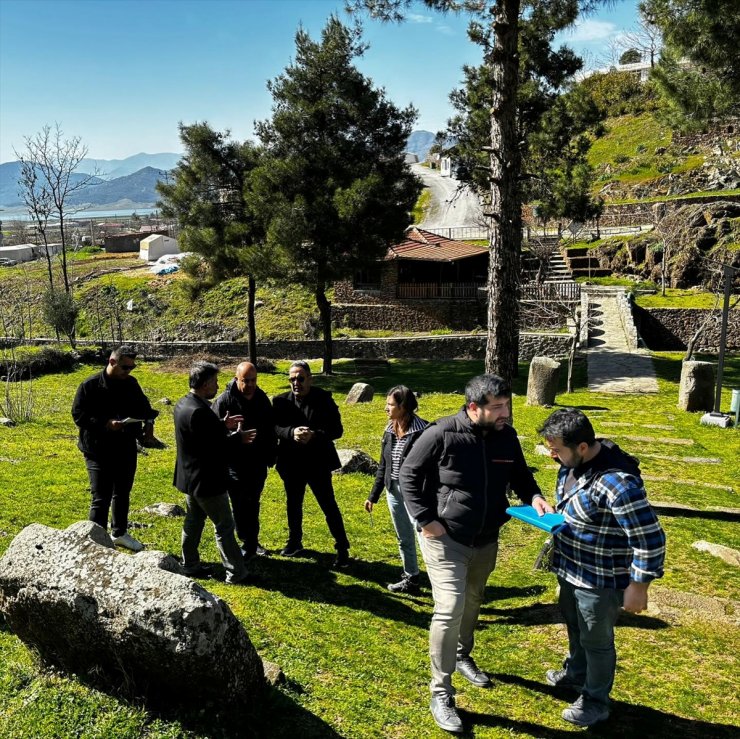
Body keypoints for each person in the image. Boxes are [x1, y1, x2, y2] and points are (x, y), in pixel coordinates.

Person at [399, 373, 552, 734]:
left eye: (507, 406)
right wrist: (425, 520)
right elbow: (407, 474)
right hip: (446, 538)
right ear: (473, 408)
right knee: (449, 607)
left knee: (473, 600)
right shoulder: (440, 433)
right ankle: (441, 692)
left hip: (486, 538)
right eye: (497, 408)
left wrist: (534, 497)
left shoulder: (507, 437)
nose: (505, 414)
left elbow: (520, 476)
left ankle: (462, 653)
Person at [538, 408, 666, 728]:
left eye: (557, 449)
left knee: (596, 640)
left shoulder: (618, 484)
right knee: (573, 622)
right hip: (570, 568)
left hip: (599, 579)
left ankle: (596, 701)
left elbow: (650, 538)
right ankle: (576, 673)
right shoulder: (569, 464)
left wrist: (638, 586)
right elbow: (576, 503)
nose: (552, 455)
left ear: (583, 447)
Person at [71, 346, 159, 552]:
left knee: (122, 492)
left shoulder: (131, 384)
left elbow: (145, 408)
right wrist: (106, 424)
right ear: (112, 362)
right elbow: (79, 415)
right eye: (125, 367)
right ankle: (95, 540)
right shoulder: (90, 386)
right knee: (101, 496)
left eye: (132, 367)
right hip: (97, 449)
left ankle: (119, 533)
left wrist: (149, 424)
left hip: (125, 445)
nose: (129, 371)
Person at [173, 361, 249, 584]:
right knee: (224, 526)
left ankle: (190, 564)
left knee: (194, 521)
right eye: (214, 381)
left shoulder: (184, 404)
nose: (217, 385)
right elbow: (214, 449)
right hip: (208, 481)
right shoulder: (200, 412)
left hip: (190, 479)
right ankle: (236, 572)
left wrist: (220, 424)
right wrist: (238, 438)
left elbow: (201, 436)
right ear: (205, 384)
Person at [273, 360, 351, 568]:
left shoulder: (323, 399)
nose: (295, 383)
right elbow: (275, 428)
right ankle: (294, 542)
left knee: (328, 505)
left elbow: (337, 430)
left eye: (300, 378)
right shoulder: (281, 402)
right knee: (293, 504)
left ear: (309, 378)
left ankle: (342, 547)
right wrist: (291, 433)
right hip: (291, 464)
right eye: (292, 379)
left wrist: (314, 435)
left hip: (317, 463)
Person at [365, 385, 428, 594]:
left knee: (424, 536)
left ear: (403, 406)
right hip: (393, 491)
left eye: (390, 404)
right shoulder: (389, 430)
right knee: (404, 537)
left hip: (416, 495)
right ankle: (411, 578)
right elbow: (384, 465)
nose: (386, 408)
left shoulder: (424, 432)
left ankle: (441, 581)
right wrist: (373, 496)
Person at [212, 361, 277, 559]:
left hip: (257, 463)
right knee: (240, 504)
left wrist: (270, 455)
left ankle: (252, 541)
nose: (249, 385)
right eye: (245, 381)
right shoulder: (225, 401)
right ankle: (245, 541)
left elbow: (270, 428)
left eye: (253, 381)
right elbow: (212, 432)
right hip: (234, 464)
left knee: (253, 502)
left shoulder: (261, 398)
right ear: (236, 379)